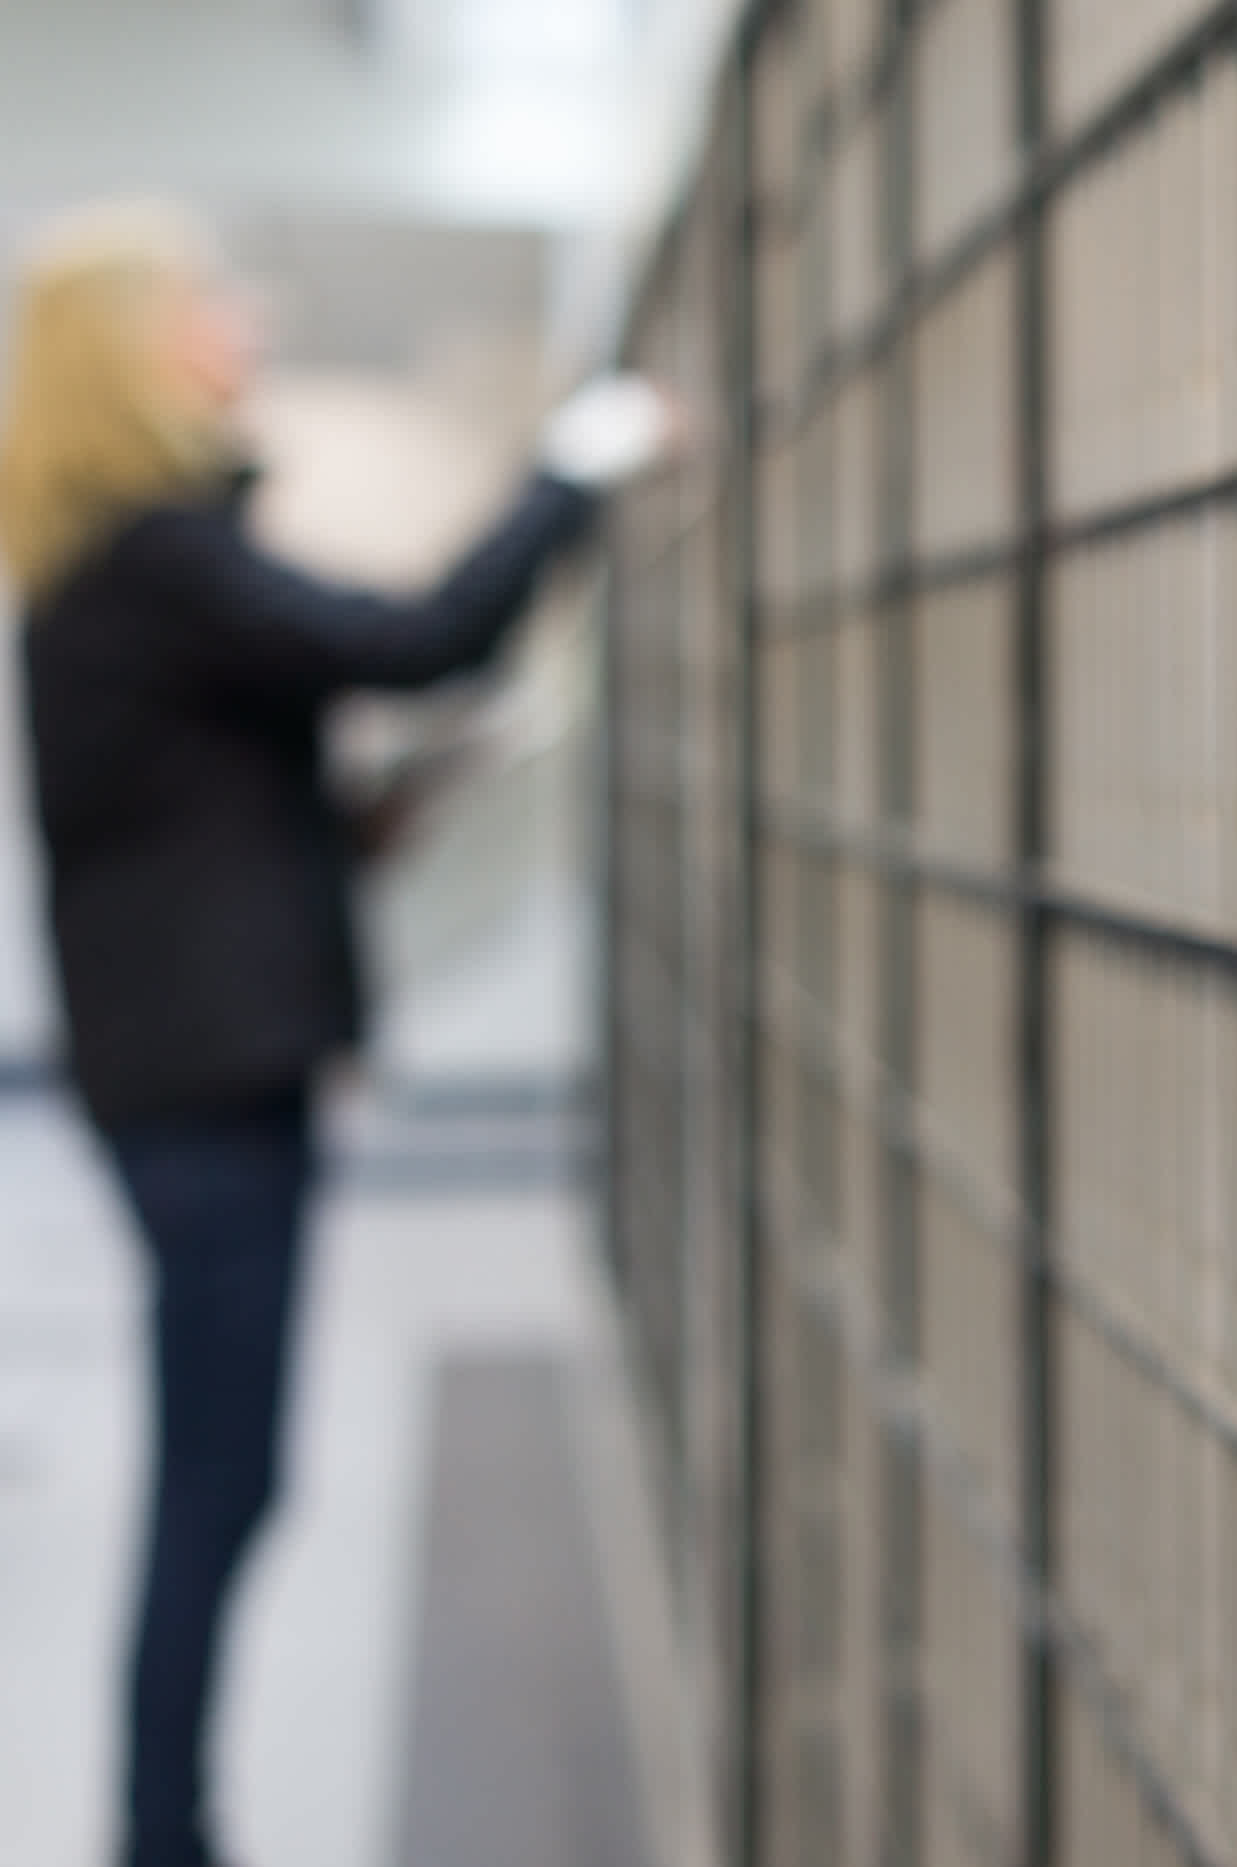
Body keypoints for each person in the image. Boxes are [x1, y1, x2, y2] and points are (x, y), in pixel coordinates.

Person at [0, 199, 676, 1867]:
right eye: (210, 302)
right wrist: (574, 471)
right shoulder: (157, 556)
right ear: (129, 353)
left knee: (226, 1469)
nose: (244, 322)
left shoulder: (120, 567)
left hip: (186, 1071)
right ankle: (164, 1833)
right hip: (203, 1085)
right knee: (220, 1478)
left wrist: (366, 815)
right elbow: (416, 633)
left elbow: (192, 801)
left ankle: (169, 1824)